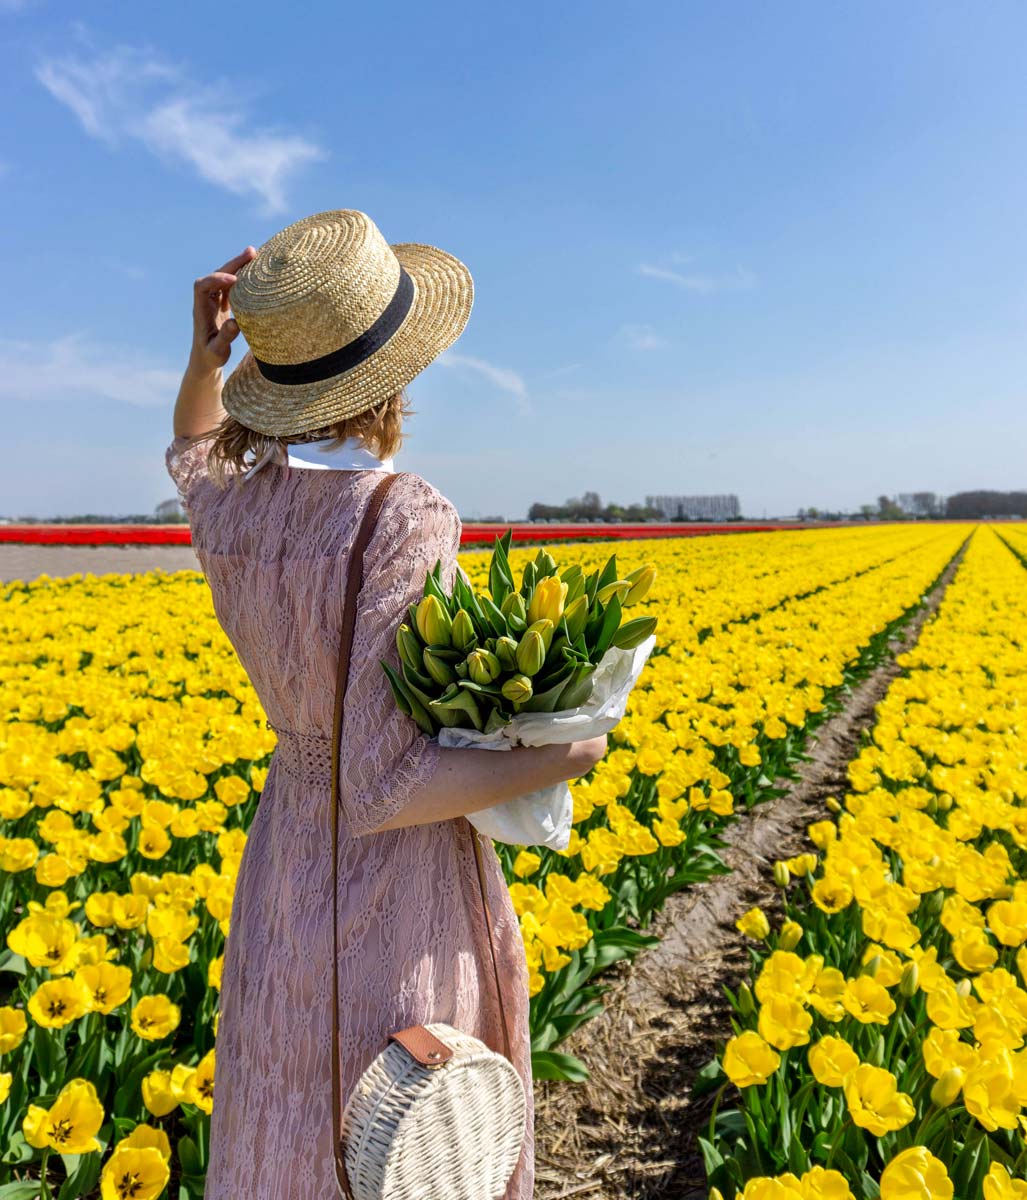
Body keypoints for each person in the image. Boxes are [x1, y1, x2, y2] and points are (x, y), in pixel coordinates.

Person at [164, 210, 607, 1200]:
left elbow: (193, 455)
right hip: (392, 887)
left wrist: (202, 363)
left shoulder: (238, 508)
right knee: (402, 1135)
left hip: (288, 856)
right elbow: (385, 780)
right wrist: (565, 754)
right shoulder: (401, 514)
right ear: (394, 371)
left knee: (291, 1106)